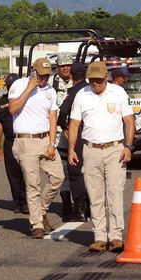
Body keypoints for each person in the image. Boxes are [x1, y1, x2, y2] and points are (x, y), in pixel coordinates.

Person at [67, 61, 135, 252]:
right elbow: (74, 124)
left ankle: (115, 236)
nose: (95, 83)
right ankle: (99, 237)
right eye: (92, 80)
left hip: (115, 149)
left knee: (114, 195)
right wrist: (71, 149)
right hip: (91, 150)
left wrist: (128, 147)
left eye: (99, 79)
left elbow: (129, 122)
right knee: (95, 195)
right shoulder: (82, 95)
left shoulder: (118, 93)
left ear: (106, 77)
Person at [8, 58, 65, 239]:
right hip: (26, 141)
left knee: (58, 177)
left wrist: (52, 143)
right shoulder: (19, 84)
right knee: (33, 183)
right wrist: (29, 88)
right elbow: (12, 109)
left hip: (44, 139)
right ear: (33, 71)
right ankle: (37, 224)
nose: (44, 79)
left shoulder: (50, 91)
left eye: (47, 76)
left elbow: (53, 118)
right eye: (41, 75)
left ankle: (40, 210)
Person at [57, 61, 90, 222]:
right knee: (92, 171)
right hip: (93, 134)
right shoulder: (92, 89)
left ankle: (80, 209)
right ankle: (92, 207)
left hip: (78, 133)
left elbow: (63, 112)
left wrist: (64, 127)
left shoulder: (75, 91)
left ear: (71, 76)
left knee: (76, 172)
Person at [0, 73, 27, 214]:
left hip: (24, 140)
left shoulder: (26, 98)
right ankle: (18, 202)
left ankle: (27, 201)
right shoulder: (2, 101)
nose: (10, 88)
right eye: (8, 86)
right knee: (13, 173)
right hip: (9, 141)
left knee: (26, 172)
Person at [51, 54, 77, 221]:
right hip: (59, 135)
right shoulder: (50, 84)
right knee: (62, 172)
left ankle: (82, 203)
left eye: (68, 65)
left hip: (76, 132)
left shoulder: (79, 82)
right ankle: (66, 205)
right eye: (63, 66)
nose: (66, 68)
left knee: (79, 170)